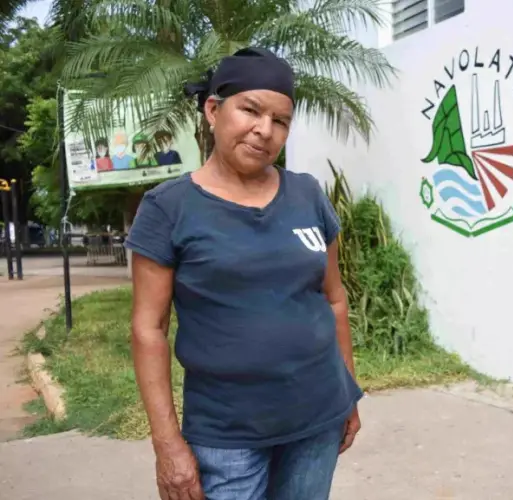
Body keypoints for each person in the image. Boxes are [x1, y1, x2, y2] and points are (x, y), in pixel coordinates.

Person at [124, 47, 363, 500]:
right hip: (226, 435)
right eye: (250, 110)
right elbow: (148, 329)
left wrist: (348, 393)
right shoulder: (169, 208)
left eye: (281, 121)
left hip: (317, 418)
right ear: (213, 110)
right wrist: (168, 446)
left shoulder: (307, 195)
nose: (264, 130)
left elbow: (333, 298)